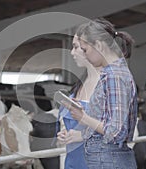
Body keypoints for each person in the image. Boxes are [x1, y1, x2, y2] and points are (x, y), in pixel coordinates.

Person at [67, 18, 138, 169]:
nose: (84, 55)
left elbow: (116, 132)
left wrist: (83, 117)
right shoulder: (112, 73)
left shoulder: (114, 76)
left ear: (99, 45)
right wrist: (89, 110)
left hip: (108, 159)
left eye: (85, 50)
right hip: (107, 158)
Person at [56, 34, 101, 169]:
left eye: (76, 47)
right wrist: (65, 133)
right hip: (73, 162)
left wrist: (82, 135)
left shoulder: (109, 85)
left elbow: (119, 131)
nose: (72, 52)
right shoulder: (80, 85)